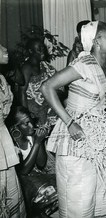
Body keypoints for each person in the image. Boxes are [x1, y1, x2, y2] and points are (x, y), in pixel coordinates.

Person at [41, 21, 106, 217]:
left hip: (98, 136)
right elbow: (47, 87)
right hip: (76, 138)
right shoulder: (83, 64)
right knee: (79, 200)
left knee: (104, 195)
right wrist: (70, 122)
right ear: (97, 42)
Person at [9, 106, 57, 217]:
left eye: (31, 121)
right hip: (21, 182)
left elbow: (41, 164)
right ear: (15, 127)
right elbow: (23, 171)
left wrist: (38, 141)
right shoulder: (11, 144)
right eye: (26, 124)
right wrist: (36, 143)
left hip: (37, 175)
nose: (31, 126)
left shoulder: (31, 136)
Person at [0, 44, 26, 218]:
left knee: (10, 189)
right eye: (0, 48)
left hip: (2, 138)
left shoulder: (2, 79)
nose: (5, 50)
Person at [20, 38, 61, 130]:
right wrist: (27, 116)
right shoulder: (27, 67)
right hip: (34, 111)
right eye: (39, 49)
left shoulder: (45, 65)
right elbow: (22, 92)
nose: (42, 51)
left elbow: (58, 81)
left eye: (43, 48)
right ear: (30, 51)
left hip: (48, 108)